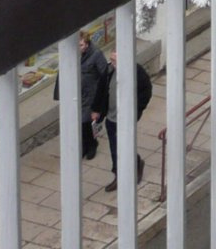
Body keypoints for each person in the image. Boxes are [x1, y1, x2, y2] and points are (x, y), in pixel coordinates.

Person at [99, 50, 151, 192]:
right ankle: (119, 175)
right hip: (111, 117)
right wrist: (96, 110)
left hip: (127, 118)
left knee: (125, 146)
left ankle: (135, 165)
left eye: (115, 60)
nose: (112, 63)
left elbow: (146, 92)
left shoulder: (137, 72)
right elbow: (101, 90)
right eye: (111, 60)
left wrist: (135, 110)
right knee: (114, 148)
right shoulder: (109, 71)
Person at [54, 30, 110, 162]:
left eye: (81, 45)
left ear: (87, 44)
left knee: (86, 122)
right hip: (75, 94)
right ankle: (84, 145)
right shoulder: (71, 54)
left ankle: (92, 145)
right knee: (78, 122)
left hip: (90, 95)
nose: (78, 48)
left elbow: (104, 74)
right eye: (77, 45)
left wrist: (102, 94)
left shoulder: (96, 54)